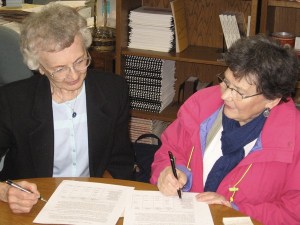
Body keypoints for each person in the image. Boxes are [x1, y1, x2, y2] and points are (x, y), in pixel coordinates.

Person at [150, 35, 300, 225]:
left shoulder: (295, 138)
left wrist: (235, 212)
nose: (225, 95)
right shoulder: (201, 104)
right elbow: (168, 150)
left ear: (272, 100)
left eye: (239, 92)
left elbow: (293, 214)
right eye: (226, 82)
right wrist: (170, 172)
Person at [0, 3, 134, 213]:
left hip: (93, 201)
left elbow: (121, 161)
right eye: (59, 69)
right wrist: (5, 191)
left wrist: (109, 199)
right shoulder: (13, 102)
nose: (73, 75)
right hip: (32, 204)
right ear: (40, 68)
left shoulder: (113, 91)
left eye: (80, 61)